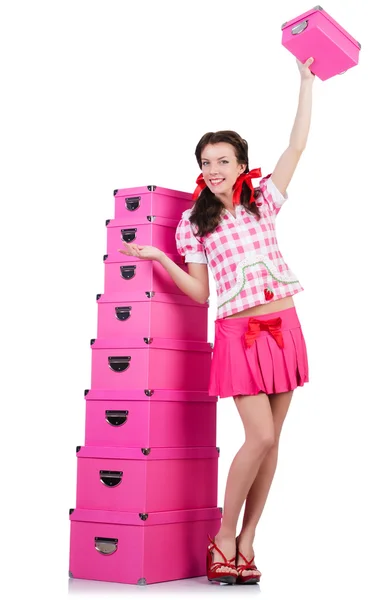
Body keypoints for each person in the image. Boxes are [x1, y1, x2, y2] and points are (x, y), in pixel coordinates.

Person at [118, 57, 315, 585]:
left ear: (241, 163)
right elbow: (202, 292)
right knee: (260, 438)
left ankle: (248, 541)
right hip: (237, 332)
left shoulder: (263, 202)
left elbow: (295, 147)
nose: (213, 169)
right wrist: (161, 260)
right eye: (206, 162)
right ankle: (223, 537)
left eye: (223, 160)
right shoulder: (193, 224)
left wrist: (305, 83)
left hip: (284, 325)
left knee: (274, 440)